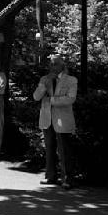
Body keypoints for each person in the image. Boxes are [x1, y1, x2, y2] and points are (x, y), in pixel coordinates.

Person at [33, 54, 78, 189]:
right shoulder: (44, 79)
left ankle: (67, 179)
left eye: (55, 64)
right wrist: (44, 86)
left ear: (62, 66)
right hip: (47, 119)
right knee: (49, 149)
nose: (51, 67)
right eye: (50, 64)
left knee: (64, 150)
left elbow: (70, 99)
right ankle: (50, 176)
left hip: (62, 120)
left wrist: (52, 100)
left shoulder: (71, 80)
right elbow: (36, 97)